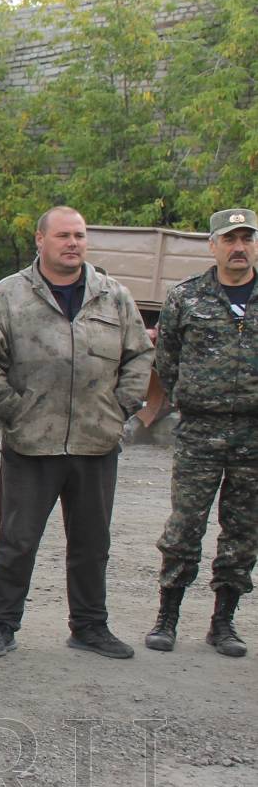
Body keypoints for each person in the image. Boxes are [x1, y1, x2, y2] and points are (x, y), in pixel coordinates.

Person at [0, 206, 153, 660]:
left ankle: (90, 626)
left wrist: (120, 408)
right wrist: (13, 411)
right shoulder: (8, 295)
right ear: (40, 240)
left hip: (96, 441)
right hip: (31, 442)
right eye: (63, 235)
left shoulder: (113, 296)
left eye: (79, 235)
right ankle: (0, 625)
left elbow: (139, 355)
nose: (73, 243)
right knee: (17, 540)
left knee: (92, 543)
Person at [145, 207, 258, 657]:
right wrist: (192, 400)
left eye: (247, 239)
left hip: (254, 434)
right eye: (229, 239)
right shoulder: (186, 298)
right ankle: (167, 617)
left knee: (243, 531)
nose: (238, 247)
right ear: (213, 246)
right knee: (185, 526)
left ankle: (223, 622)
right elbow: (166, 362)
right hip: (199, 432)